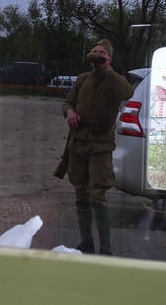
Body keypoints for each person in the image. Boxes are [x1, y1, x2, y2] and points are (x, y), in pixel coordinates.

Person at [62, 39, 134, 255]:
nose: (96, 54)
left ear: (109, 58)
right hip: (78, 143)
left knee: (98, 195)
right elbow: (67, 102)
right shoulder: (82, 79)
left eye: (101, 52)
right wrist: (70, 112)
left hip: (101, 146)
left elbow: (127, 92)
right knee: (80, 193)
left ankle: (105, 249)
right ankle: (86, 243)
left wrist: (108, 70)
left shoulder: (114, 80)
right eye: (93, 51)